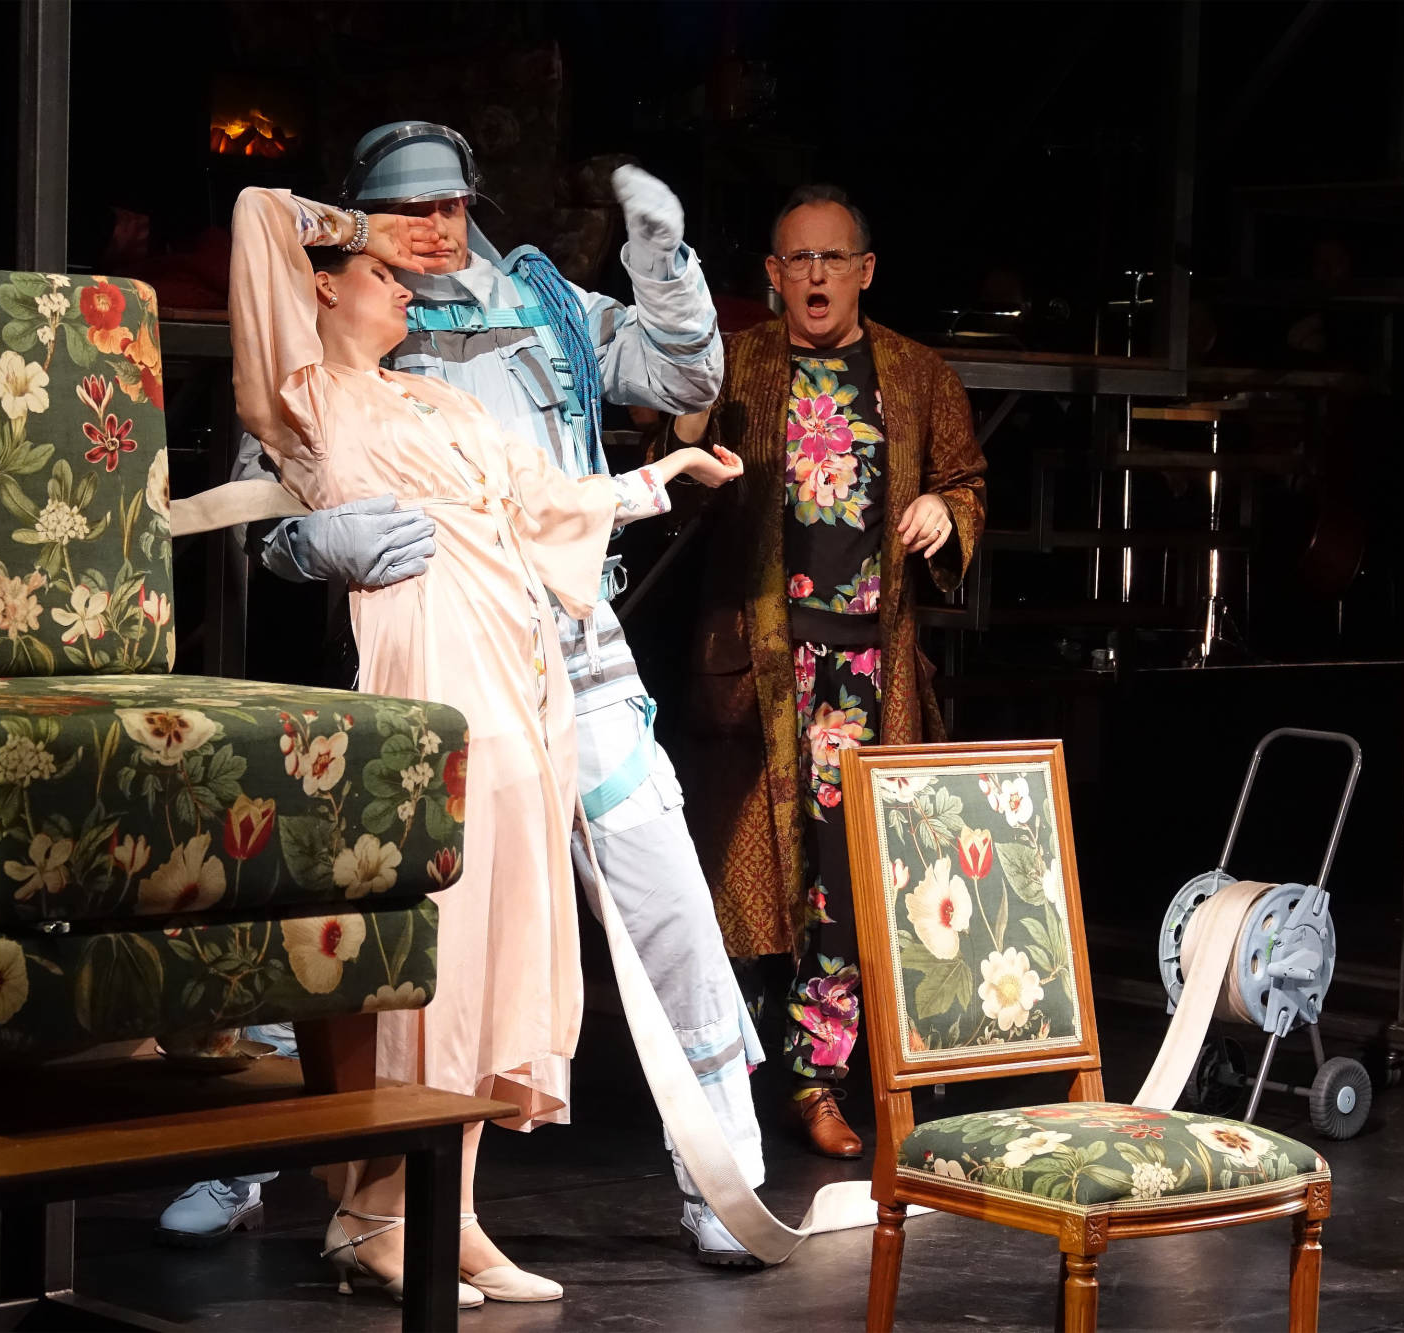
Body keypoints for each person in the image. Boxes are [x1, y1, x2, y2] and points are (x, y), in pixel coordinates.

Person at [167, 121, 773, 1268]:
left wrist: (661, 262)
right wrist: (312, 545)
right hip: (429, 655)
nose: (435, 227)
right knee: (379, 915)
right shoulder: (342, 314)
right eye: (408, 209)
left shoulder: (540, 302)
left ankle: (721, 1176)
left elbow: (681, 376)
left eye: (449, 204)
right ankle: (257, 1161)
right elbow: (268, 489)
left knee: (662, 898)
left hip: (570, 647)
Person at [679, 184, 986, 1159]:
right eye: (797, 261)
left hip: (867, 670)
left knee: (847, 885)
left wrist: (945, 512)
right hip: (760, 668)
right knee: (739, 884)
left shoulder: (918, 373)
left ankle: (819, 1080)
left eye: (832, 259)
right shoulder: (737, 364)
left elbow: (965, 481)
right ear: (773, 276)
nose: (815, 276)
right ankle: (722, 1090)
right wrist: (682, 436)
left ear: (865, 270)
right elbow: (667, 470)